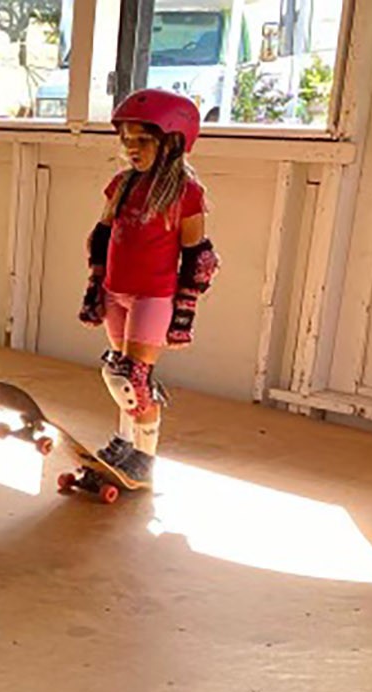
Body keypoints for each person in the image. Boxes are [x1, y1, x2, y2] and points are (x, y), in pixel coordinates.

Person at [80, 88, 219, 486]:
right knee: (117, 372)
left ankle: (145, 455)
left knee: (133, 379)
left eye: (142, 139)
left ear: (172, 141)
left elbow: (198, 257)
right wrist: (95, 282)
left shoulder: (185, 193)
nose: (132, 148)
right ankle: (125, 441)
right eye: (126, 140)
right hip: (115, 291)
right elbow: (104, 234)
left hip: (152, 296)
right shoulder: (122, 184)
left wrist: (186, 306)